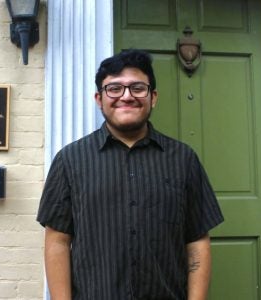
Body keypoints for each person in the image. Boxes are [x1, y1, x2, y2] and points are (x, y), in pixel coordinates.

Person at [37, 49, 224, 300]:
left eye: (137, 87)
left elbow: (197, 241)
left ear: (153, 97)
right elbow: (58, 241)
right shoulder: (69, 161)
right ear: (98, 98)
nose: (126, 96)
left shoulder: (183, 159)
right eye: (114, 88)